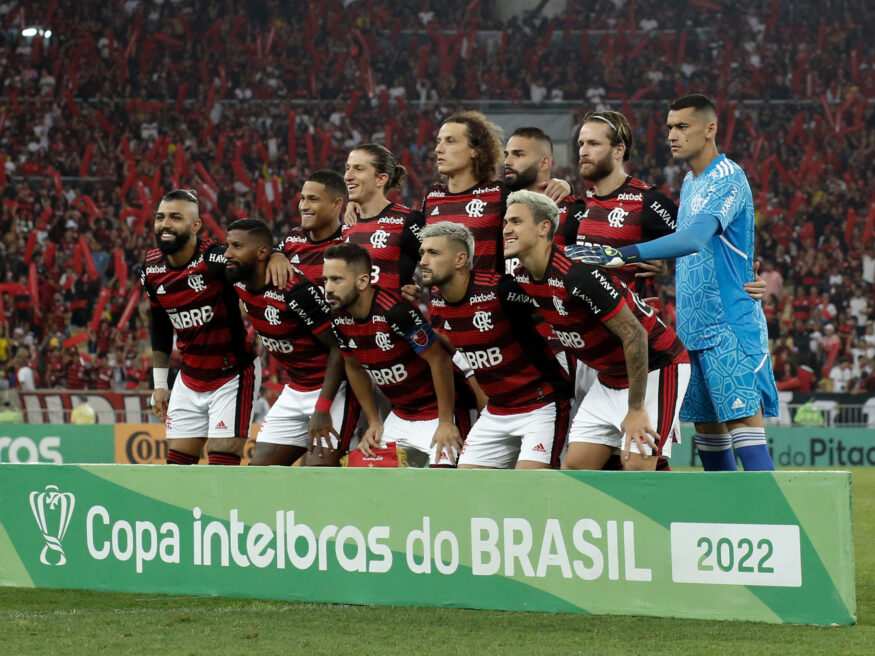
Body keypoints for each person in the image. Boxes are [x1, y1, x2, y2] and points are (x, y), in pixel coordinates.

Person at [569, 94, 777, 471]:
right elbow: (705, 248)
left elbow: (695, 238)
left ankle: (775, 527)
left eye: (682, 127)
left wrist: (621, 254)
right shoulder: (691, 182)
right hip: (692, 330)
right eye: (669, 128)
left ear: (710, 128)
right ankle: (725, 525)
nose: (672, 136)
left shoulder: (728, 177)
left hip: (728, 326)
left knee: (746, 434)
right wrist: (663, 267)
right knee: (710, 441)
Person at [503, 190, 690, 470]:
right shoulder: (520, 276)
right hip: (610, 375)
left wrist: (636, 409)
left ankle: (676, 510)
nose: (506, 229)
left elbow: (635, 334)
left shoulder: (578, 274)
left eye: (516, 222)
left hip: (657, 366)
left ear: (544, 228)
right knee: (576, 469)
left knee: (638, 469)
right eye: (505, 222)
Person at [421, 221, 572, 469]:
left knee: (529, 486)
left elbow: (555, 309)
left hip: (540, 405)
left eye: (433, 253)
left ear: (460, 260)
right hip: (497, 410)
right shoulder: (438, 302)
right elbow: (450, 358)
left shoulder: (501, 290)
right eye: (422, 253)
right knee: (468, 491)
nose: (423, 261)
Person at [140, 189, 262, 466]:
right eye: (160, 217)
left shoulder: (214, 258)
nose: (165, 224)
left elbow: (252, 260)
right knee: (177, 471)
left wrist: (276, 255)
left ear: (196, 225)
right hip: (189, 377)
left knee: (220, 465)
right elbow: (160, 325)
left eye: (175, 217)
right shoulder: (150, 269)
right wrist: (160, 385)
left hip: (231, 375)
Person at [224, 218, 357, 466]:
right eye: (227, 246)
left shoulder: (295, 291)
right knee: (259, 473)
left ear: (260, 252)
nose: (228, 253)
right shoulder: (237, 276)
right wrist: (276, 254)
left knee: (315, 473)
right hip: (295, 388)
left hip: (333, 388)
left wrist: (322, 407)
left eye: (236, 246)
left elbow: (338, 347)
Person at [323, 243, 460, 467]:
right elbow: (354, 367)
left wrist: (445, 422)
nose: (328, 288)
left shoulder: (396, 311)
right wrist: (374, 421)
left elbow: (440, 359)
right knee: (372, 479)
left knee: (442, 482)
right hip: (401, 414)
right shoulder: (338, 317)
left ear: (363, 281)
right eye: (325, 280)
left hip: (439, 412)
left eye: (336, 280)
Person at [423, 111, 571, 273]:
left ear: (475, 150)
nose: (438, 149)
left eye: (450, 141)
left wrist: (564, 185)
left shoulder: (500, 192)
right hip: (435, 299)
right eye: (438, 142)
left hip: (488, 296)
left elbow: (541, 193)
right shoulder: (432, 196)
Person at [343, 144, 425, 291]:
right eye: (347, 168)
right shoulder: (347, 222)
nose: (347, 177)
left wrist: (415, 290)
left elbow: (440, 267)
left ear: (381, 179)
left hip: (392, 313)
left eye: (359, 169)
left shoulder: (408, 220)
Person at [277, 170, 349, 286]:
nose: (303, 207)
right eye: (302, 198)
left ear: (336, 204)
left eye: (313, 199)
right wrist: (275, 255)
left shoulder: (348, 243)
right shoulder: (294, 237)